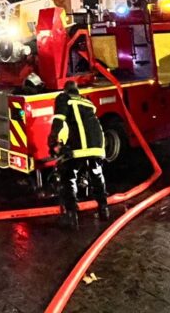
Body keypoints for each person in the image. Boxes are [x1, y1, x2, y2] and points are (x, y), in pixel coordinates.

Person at [48, 81, 110, 228]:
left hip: (79, 145)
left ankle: (71, 216)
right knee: (96, 174)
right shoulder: (87, 102)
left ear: (66, 90)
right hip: (97, 145)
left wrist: (52, 141)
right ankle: (104, 209)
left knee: (68, 176)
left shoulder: (64, 98)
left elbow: (58, 120)